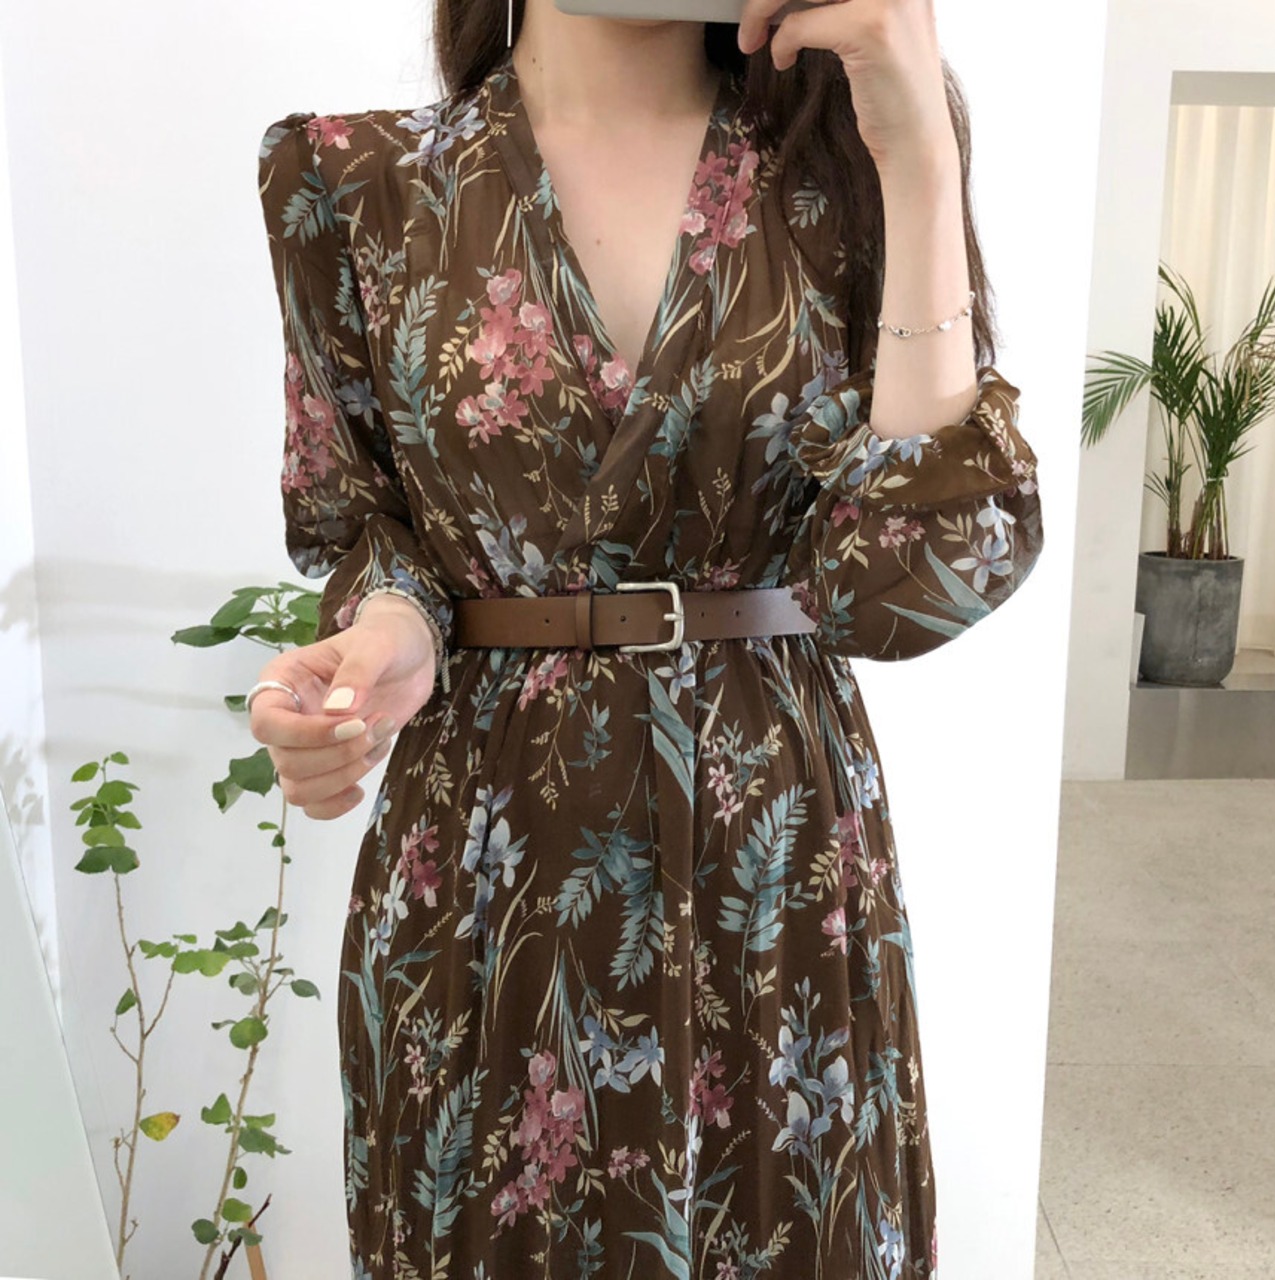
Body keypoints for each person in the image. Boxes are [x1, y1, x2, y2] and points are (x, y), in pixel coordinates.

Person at [248, 0, 1044, 1275]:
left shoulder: (842, 175)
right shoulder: (352, 181)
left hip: (771, 867)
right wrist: (390, 629)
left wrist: (918, 153)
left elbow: (914, 583)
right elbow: (359, 521)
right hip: (491, 866)